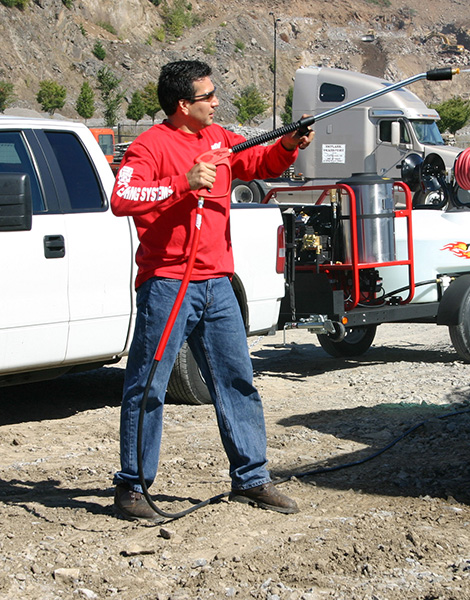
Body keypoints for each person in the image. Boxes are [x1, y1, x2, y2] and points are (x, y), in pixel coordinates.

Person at [110, 60, 314, 522]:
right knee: (148, 387)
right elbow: (121, 199)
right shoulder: (149, 147)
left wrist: (286, 145)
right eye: (208, 95)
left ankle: (251, 479)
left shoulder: (218, 137)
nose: (216, 101)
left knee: (237, 381)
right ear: (183, 105)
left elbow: (255, 161)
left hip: (218, 283)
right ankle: (131, 487)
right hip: (168, 284)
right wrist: (183, 182)